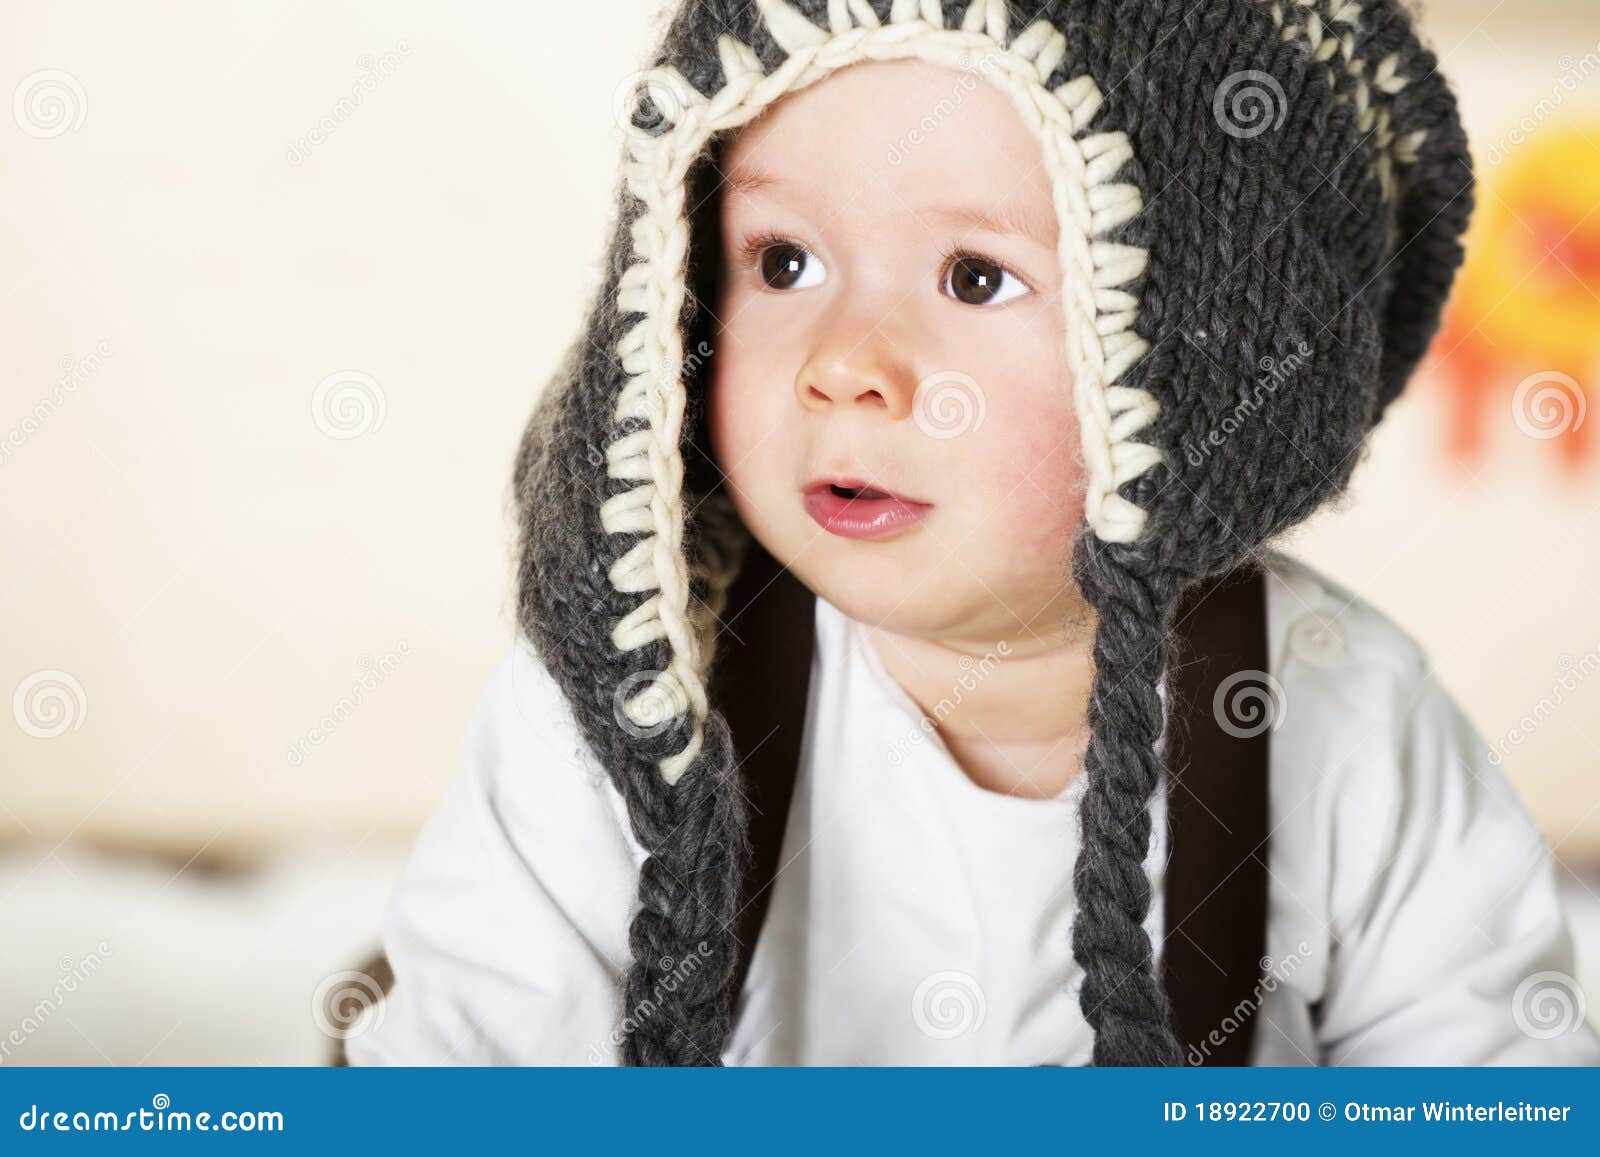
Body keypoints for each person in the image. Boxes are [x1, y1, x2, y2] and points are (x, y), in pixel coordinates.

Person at [345, 0, 1600, 1066]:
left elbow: (1495, 1082)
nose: (844, 364)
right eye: (782, 263)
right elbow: (465, 1070)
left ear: (1203, 356)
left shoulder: (1342, 714)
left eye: (975, 277)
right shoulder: (620, 710)